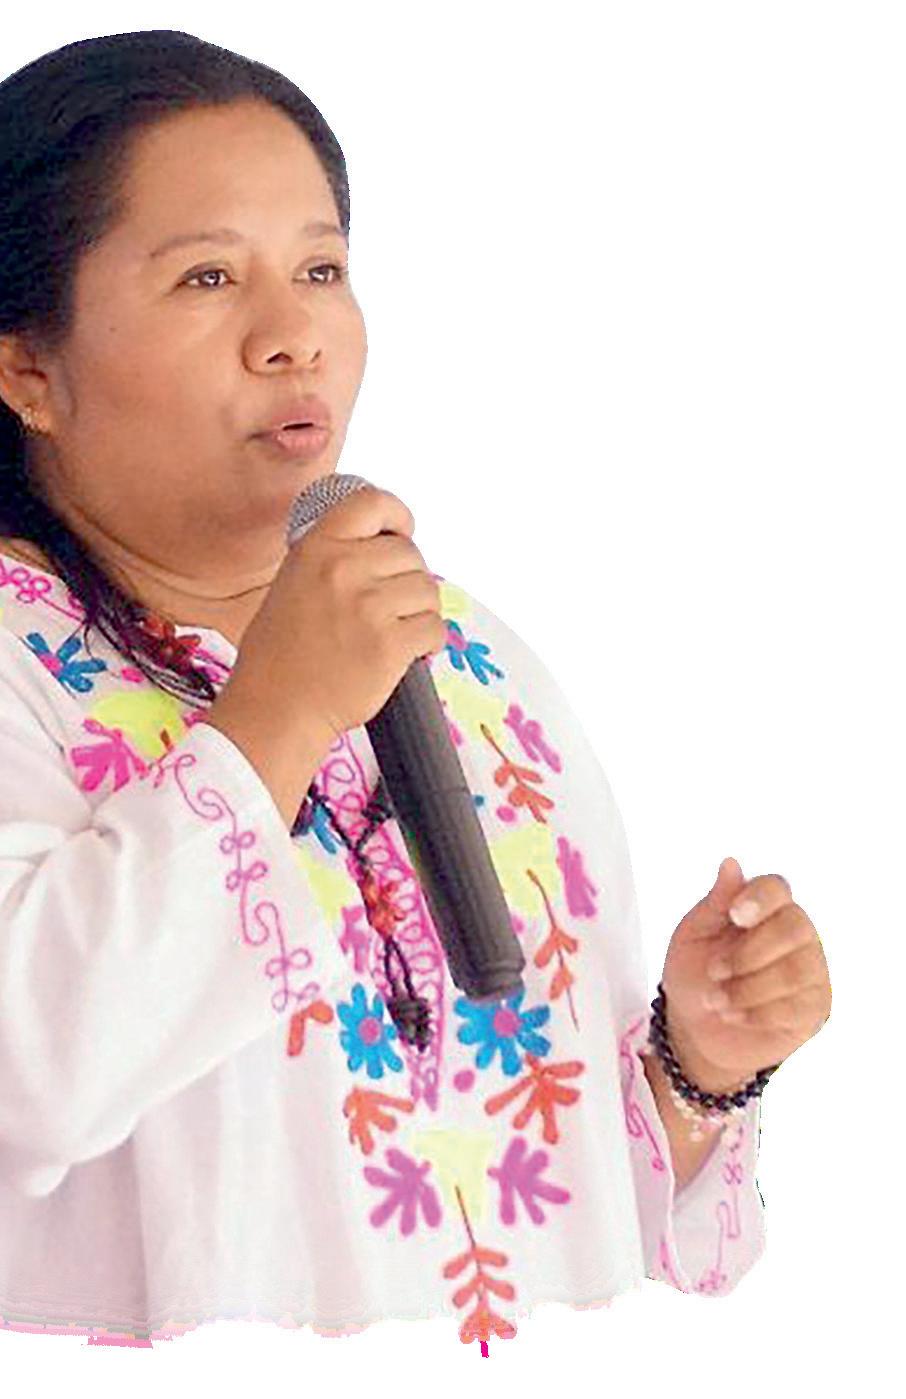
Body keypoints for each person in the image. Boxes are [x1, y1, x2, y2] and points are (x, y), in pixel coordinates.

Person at [0, 31, 830, 1353]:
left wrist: (697, 1064)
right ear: (26, 370)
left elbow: (564, 1190)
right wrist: (274, 720)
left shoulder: (464, 654)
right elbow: (31, 1076)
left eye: (320, 270)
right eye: (208, 277)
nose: (292, 337)